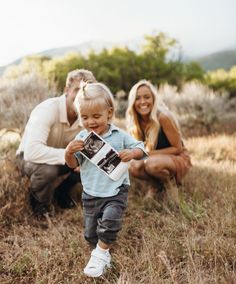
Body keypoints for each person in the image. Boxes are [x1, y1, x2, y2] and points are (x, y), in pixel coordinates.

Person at [65, 82, 146, 277]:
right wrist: (68, 151)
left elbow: (142, 149)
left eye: (96, 116)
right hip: (91, 193)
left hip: (116, 190)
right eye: (85, 117)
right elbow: (71, 164)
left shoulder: (119, 135)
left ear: (109, 113)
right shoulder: (82, 138)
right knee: (90, 234)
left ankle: (100, 254)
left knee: (110, 220)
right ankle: (101, 252)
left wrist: (131, 152)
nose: (91, 122)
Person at [16, 69, 96, 218]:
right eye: (77, 90)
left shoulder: (88, 116)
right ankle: (39, 208)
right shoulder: (47, 109)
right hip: (27, 158)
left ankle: (62, 192)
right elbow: (32, 151)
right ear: (66, 90)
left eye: (87, 92)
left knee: (93, 160)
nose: (81, 97)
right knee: (48, 170)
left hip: (61, 158)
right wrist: (72, 156)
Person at [126, 80, 192, 197]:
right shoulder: (136, 121)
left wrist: (149, 153)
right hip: (154, 157)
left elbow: (178, 148)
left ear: (153, 99)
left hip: (177, 157)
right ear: (133, 102)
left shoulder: (163, 117)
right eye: (138, 98)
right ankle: (156, 185)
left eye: (147, 97)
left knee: (152, 164)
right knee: (134, 166)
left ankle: (171, 186)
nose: (142, 102)